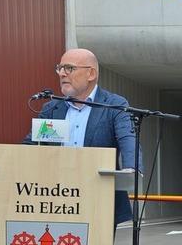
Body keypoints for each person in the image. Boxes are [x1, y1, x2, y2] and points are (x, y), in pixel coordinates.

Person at [24, 48, 142, 228]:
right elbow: (30, 145)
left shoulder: (114, 105)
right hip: (55, 200)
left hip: (98, 200)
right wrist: (6, 164)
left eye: (69, 68)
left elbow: (128, 138)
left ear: (91, 74)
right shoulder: (52, 108)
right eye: (60, 68)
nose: (62, 73)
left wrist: (131, 168)